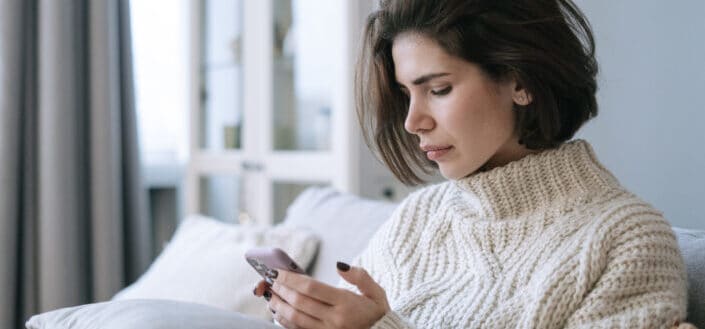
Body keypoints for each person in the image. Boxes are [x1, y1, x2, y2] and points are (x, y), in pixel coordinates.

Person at [254, 0, 691, 328]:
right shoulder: (418, 218)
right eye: (407, 94)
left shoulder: (627, 241)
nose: (412, 121)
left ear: (520, 80)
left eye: (439, 89)